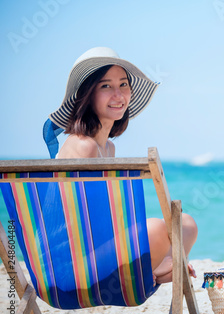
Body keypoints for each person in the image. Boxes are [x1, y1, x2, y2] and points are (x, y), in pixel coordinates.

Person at [44, 47, 197, 284]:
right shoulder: (84, 147)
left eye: (123, 84)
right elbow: (85, 224)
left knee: (186, 223)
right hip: (73, 262)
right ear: (87, 94)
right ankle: (158, 269)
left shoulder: (108, 148)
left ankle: (159, 267)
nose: (118, 94)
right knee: (156, 229)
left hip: (98, 251)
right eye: (106, 86)